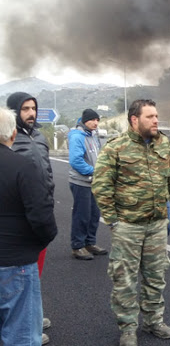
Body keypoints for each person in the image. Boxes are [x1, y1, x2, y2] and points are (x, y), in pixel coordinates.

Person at [92, 99, 170, 346]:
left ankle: (154, 321)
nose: (156, 120)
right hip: (128, 226)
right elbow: (101, 186)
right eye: (150, 117)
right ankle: (127, 328)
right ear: (134, 120)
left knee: (156, 276)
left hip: (157, 224)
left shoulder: (164, 144)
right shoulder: (116, 147)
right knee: (124, 279)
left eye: (156, 116)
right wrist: (113, 221)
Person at [0, 106, 58, 345]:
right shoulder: (23, 166)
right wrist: (37, 244)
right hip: (16, 263)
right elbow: (43, 218)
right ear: (13, 134)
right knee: (21, 336)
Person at [69, 109, 108, 260]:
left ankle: (89, 243)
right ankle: (77, 246)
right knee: (82, 215)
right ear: (85, 120)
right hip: (81, 182)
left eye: (97, 120)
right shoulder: (77, 136)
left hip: (94, 182)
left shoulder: (93, 135)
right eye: (92, 120)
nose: (96, 123)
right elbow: (76, 161)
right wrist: (95, 171)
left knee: (94, 214)